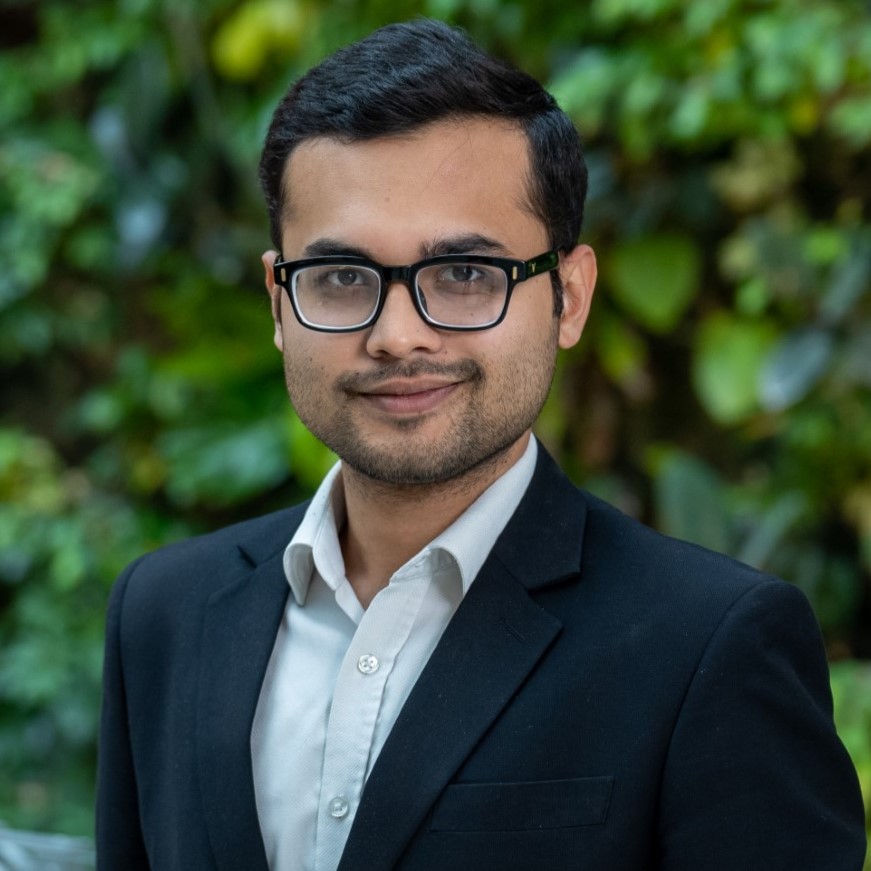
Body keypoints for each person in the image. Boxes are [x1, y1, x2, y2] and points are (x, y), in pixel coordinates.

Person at [96, 18, 866, 871]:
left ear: (569, 297)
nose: (396, 335)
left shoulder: (707, 645)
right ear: (280, 301)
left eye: (465, 274)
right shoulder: (164, 612)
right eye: (342, 277)